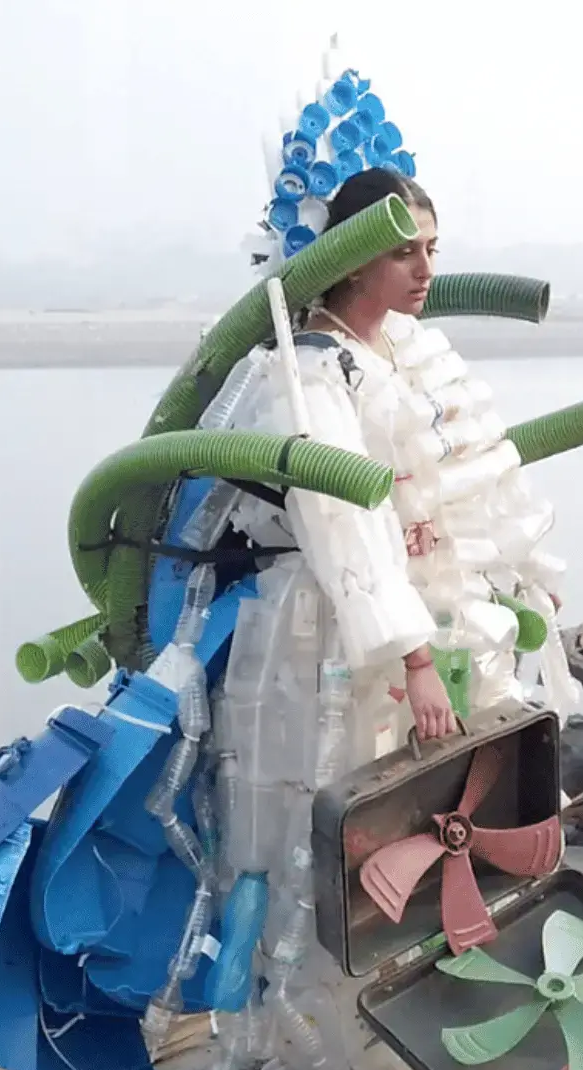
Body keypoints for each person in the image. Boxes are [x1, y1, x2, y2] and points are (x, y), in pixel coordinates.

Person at [233, 167, 566, 762]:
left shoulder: (410, 346)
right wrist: (415, 658)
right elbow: (342, 524)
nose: (426, 271)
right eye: (404, 252)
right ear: (355, 260)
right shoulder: (309, 373)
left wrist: (525, 568)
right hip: (351, 634)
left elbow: (474, 462)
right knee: (381, 781)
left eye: (432, 250)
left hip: (445, 602)